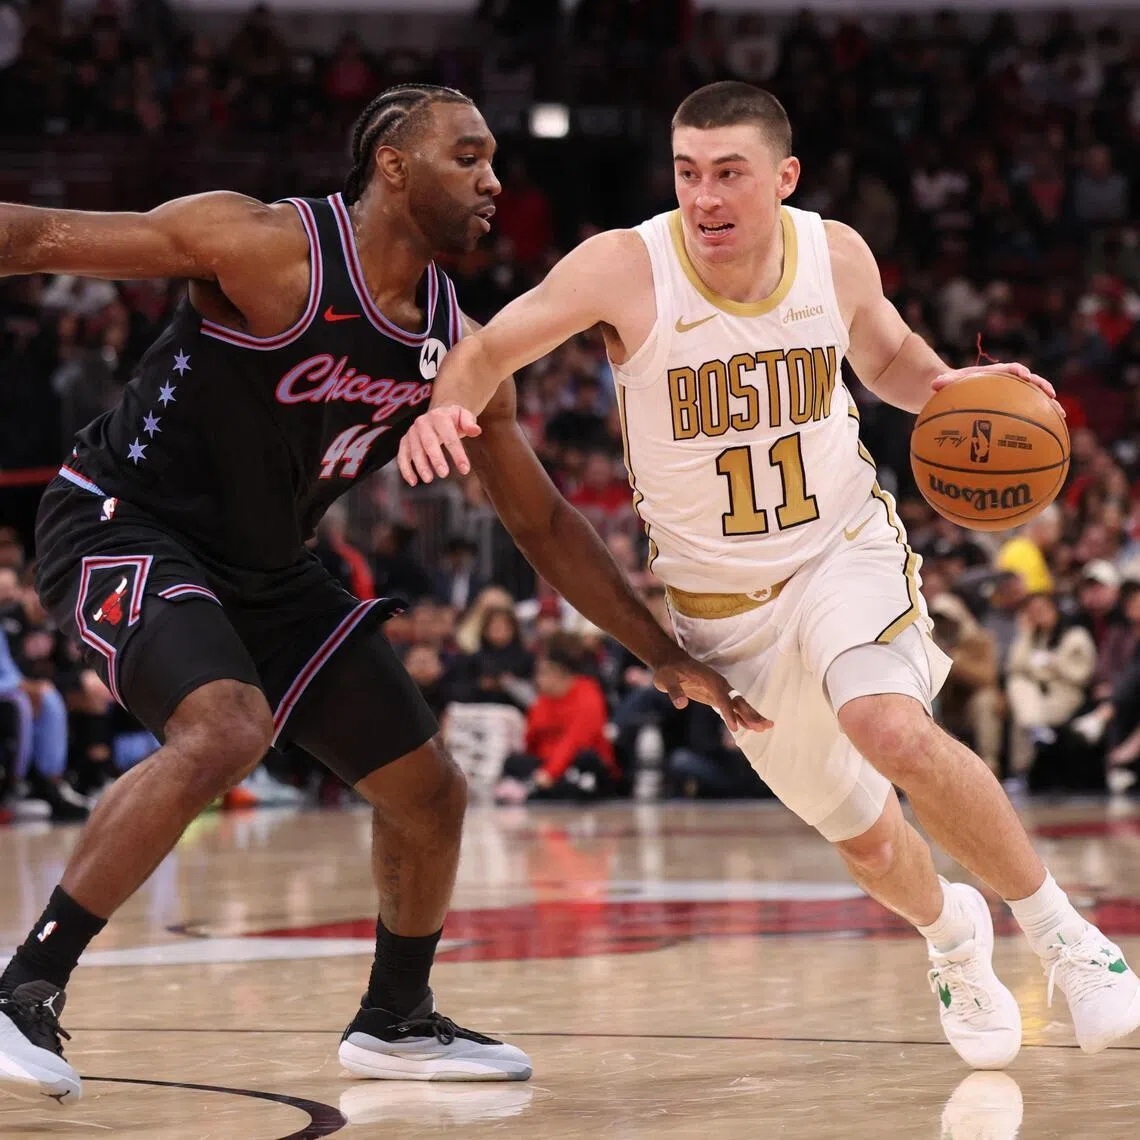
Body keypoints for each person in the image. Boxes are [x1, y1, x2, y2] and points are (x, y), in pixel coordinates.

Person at [0, 83, 764, 1105]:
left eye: (494, 161)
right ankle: (22, 992)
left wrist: (657, 647)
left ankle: (395, 1020)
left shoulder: (466, 348)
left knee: (429, 792)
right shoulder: (268, 246)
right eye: (468, 156)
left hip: (271, 570)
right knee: (226, 730)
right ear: (392, 165)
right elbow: (42, 235)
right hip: (125, 521)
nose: (494, 180)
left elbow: (541, 523)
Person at [398, 80, 1140, 1069]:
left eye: (729, 174)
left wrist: (960, 389)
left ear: (782, 178)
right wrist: (446, 406)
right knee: (871, 844)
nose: (704, 195)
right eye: (687, 172)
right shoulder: (626, 267)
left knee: (886, 725)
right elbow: (490, 346)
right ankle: (952, 935)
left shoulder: (832, 253)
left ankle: (1066, 939)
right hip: (724, 620)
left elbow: (886, 355)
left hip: (842, 553)